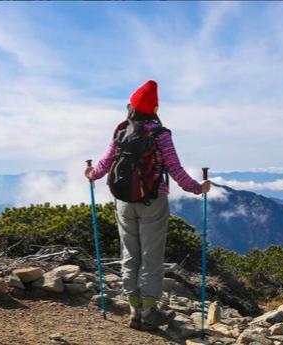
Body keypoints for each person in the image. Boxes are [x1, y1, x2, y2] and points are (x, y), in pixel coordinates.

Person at [84, 80, 210, 331]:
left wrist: (92, 174)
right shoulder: (160, 134)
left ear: (130, 107)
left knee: (129, 254)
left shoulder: (121, 130)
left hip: (123, 201)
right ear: (155, 108)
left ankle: (133, 310)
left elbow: (105, 163)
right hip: (153, 200)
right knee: (151, 257)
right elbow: (174, 168)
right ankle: (148, 312)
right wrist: (198, 188)